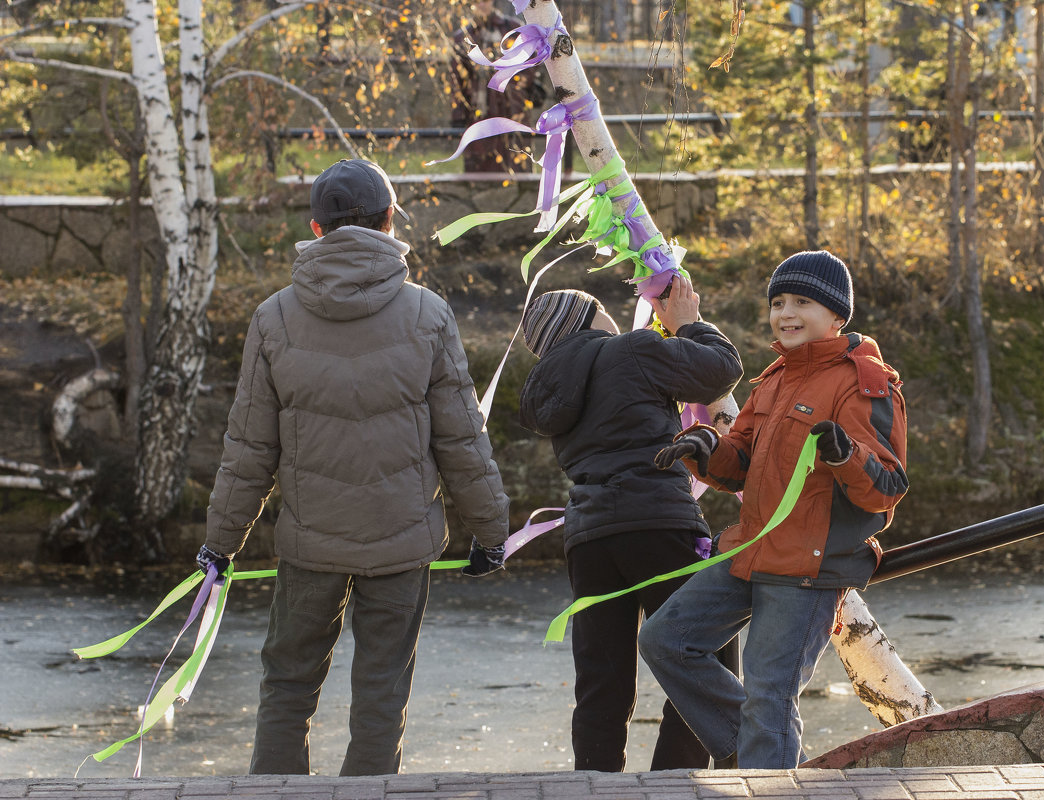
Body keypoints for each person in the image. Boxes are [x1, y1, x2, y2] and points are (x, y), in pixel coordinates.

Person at [196, 158, 511, 776]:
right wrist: (493, 533)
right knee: (381, 698)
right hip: (401, 543)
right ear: (390, 220)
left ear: (316, 228)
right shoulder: (428, 313)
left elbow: (249, 448)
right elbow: (462, 442)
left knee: (286, 688)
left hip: (311, 544)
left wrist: (219, 543)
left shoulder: (275, 318)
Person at [639, 250, 908, 769]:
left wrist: (845, 456)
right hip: (752, 551)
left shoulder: (866, 381)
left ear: (836, 315)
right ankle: (758, 748)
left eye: (801, 301)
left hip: (808, 568)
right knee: (666, 641)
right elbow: (738, 463)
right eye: (778, 301)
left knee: (770, 698)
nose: (785, 312)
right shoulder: (775, 380)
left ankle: (766, 753)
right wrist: (702, 447)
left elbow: (887, 486)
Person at [518, 276, 743, 771]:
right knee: (703, 654)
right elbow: (721, 371)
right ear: (588, 320)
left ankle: (595, 784)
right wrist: (689, 325)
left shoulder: (553, 388)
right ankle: (673, 779)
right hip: (659, 523)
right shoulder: (632, 350)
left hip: (588, 537)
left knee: (603, 678)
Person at [450, 0, 546, 172]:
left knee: (516, 160)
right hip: (478, 111)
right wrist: (458, 114)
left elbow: (529, 66)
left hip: (512, 108)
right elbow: (456, 79)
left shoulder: (512, 29)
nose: (481, 5)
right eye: (477, 1)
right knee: (482, 165)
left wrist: (510, 85)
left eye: (485, 0)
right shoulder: (464, 36)